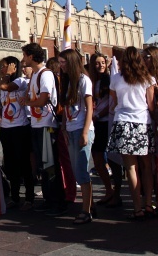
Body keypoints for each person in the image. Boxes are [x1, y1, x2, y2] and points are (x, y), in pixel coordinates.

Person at [107, 46, 156, 220]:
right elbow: (151, 105)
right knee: (147, 166)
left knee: (131, 168)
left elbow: (114, 101)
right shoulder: (148, 79)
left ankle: (137, 209)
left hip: (123, 123)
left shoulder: (115, 79)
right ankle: (148, 203)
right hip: (143, 123)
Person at [18, 43, 65, 216]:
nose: (23, 59)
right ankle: (48, 199)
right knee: (43, 166)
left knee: (50, 164)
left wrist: (27, 103)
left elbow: (44, 99)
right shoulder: (35, 74)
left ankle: (57, 202)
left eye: (24, 55)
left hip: (47, 125)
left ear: (31, 56)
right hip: (37, 125)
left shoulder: (45, 75)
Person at [59, 49, 95, 224]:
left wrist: (85, 131)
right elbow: (66, 107)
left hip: (82, 128)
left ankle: (86, 211)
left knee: (81, 171)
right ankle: (90, 205)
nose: (61, 65)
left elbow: (89, 108)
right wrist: (64, 127)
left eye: (63, 62)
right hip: (71, 129)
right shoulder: (68, 82)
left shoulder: (84, 80)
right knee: (76, 170)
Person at [0, 56, 34, 211]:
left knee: (24, 163)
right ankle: (14, 196)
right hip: (6, 128)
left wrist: (8, 75)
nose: (2, 69)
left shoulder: (21, 81)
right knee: (10, 164)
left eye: (5, 66)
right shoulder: (3, 82)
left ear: (13, 67)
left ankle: (30, 197)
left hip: (20, 127)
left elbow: (6, 87)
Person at [88, 53, 114, 205]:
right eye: (97, 63)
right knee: (97, 161)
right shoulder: (91, 82)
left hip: (105, 122)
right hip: (95, 123)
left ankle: (113, 192)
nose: (101, 65)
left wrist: (97, 115)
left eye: (103, 62)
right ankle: (109, 190)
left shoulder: (109, 80)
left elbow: (111, 103)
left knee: (109, 159)